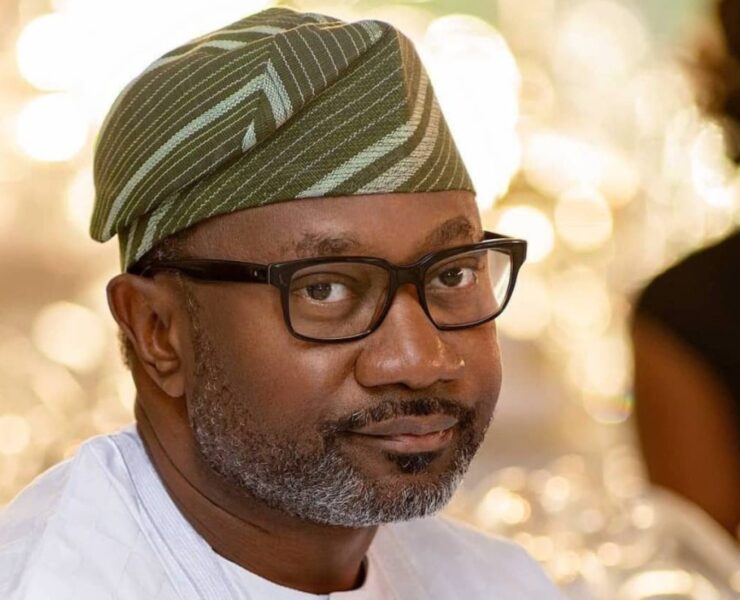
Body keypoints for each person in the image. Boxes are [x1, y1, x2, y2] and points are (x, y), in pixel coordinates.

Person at [0, 7, 562, 599]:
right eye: (324, 289)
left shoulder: (497, 583)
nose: (422, 360)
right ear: (157, 331)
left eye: (451, 275)